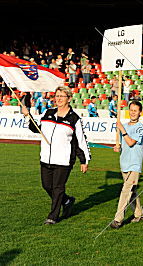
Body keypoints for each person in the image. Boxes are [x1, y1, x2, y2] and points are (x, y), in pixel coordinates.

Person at [21, 86, 90, 224]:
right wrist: (27, 115)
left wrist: (84, 160)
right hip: (46, 157)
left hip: (63, 160)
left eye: (61, 96)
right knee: (47, 186)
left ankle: (52, 216)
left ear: (69, 99)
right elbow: (37, 128)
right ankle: (67, 200)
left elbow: (80, 141)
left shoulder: (74, 118)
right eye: (56, 96)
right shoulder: (48, 113)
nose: (58, 99)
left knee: (58, 188)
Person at [110, 101, 143, 228]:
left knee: (126, 191)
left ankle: (118, 219)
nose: (132, 113)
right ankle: (139, 213)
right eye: (131, 110)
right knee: (132, 191)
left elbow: (131, 142)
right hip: (124, 162)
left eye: (135, 110)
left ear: (140, 112)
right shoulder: (124, 126)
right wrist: (118, 146)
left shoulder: (140, 127)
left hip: (134, 163)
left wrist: (122, 130)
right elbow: (124, 144)